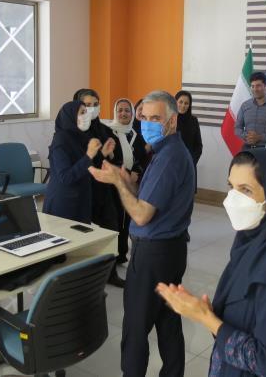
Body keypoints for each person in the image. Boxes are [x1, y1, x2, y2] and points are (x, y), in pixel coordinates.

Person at [156, 148, 266, 377]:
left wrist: (206, 318)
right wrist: (208, 313)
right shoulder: (254, 243)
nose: (232, 200)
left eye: (246, 190)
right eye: (231, 187)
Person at [89, 90, 195, 377]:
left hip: (154, 254)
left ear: (172, 121)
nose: (147, 124)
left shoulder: (169, 157)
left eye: (155, 118)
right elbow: (149, 199)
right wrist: (126, 181)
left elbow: (140, 214)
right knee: (167, 320)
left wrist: (117, 183)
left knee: (136, 326)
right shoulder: (164, 152)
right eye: (144, 117)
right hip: (171, 250)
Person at [74, 88, 124, 287]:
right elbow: (79, 165)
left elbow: (116, 158)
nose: (92, 109)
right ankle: (86, 277)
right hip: (83, 191)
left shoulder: (103, 129)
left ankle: (110, 273)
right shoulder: (73, 131)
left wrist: (109, 154)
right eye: (87, 105)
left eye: (95, 104)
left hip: (104, 189)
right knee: (84, 234)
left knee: (111, 229)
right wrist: (100, 155)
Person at [102, 98, 147, 264]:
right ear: (115, 112)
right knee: (112, 219)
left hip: (129, 185)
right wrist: (127, 172)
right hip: (111, 185)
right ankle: (110, 256)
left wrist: (136, 171)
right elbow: (108, 159)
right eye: (120, 110)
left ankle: (121, 254)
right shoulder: (108, 132)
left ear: (132, 113)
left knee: (125, 220)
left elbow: (142, 158)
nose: (123, 113)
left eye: (127, 110)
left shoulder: (135, 134)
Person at [42, 101, 98, 223]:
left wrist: (102, 153)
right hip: (63, 202)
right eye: (82, 112)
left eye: (86, 112)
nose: (86, 116)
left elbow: (85, 166)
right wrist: (89, 155)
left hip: (81, 198)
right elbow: (65, 177)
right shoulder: (60, 140)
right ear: (70, 116)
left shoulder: (82, 137)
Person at [234, 72, 266, 149]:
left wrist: (260, 137)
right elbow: (237, 128)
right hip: (247, 148)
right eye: (252, 86)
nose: (255, 89)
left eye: (258, 86)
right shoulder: (245, 105)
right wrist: (247, 136)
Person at [175, 90, 203, 167]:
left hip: (189, 164)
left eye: (186, 103)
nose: (183, 105)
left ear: (189, 105)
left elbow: (198, 146)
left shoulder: (194, 120)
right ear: (175, 102)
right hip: (172, 164)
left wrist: (191, 162)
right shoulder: (169, 120)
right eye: (180, 102)